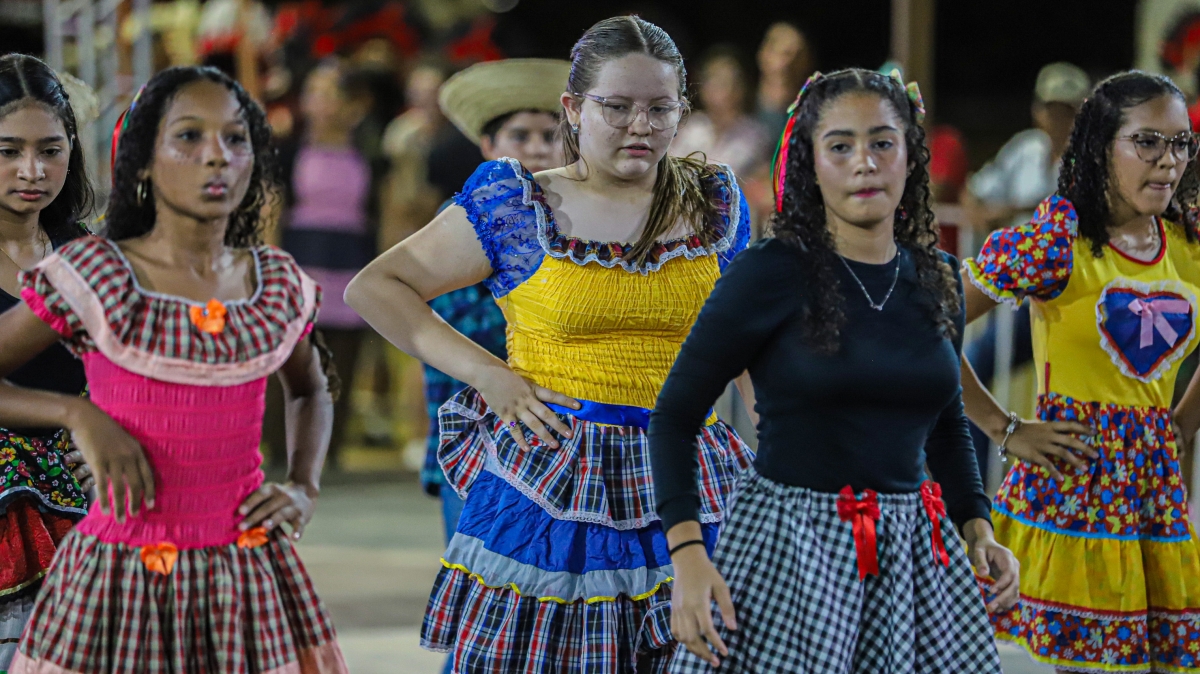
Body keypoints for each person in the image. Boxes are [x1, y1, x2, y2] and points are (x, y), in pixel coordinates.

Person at [345, 16, 754, 672]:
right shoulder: (518, 205)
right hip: (555, 481)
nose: (641, 126)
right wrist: (489, 375)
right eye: (617, 107)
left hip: (690, 478)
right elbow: (377, 287)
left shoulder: (715, 205)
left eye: (660, 109)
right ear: (573, 108)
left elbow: (752, 344)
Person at [649, 68, 1019, 673]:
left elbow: (945, 422)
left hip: (911, 558)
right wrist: (688, 553)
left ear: (910, 157)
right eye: (840, 146)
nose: (865, 163)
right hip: (790, 553)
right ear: (811, 164)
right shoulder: (770, 272)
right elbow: (674, 417)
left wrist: (977, 527)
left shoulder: (940, 280)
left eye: (882, 143)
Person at [0, 65, 346, 673]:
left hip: (239, 569)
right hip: (116, 556)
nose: (216, 157)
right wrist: (80, 415)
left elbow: (310, 388)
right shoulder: (96, 275)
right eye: (189, 137)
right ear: (142, 161)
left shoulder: (272, 284)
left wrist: (303, 485)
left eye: (235, 140)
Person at [963, 71, 1200, 673]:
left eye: (1180, 143)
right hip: (1072, 497)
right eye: (1147, 142)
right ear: (1099, 147)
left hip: (1153, 501)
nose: (1168, 160)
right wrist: (1004, 428)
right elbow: (926, 323)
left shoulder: (1190, 246)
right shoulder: (1056, 245)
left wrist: (1184, 421)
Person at [420, 58, 567, 545]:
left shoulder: (578, 224)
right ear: (488, 147)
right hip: (475, 432)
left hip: (558, 436)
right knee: (476, 576)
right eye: (519, 136)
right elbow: (460, 321)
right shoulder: (463, 219)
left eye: (550, 136)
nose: (538, 149)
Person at [0, 54, 96, 672]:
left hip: (83, 510)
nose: (32, 171)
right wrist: (77, 416)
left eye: (51, 150)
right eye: (8, 151)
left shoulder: (86, 251)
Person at [962, 61, 1091, 479]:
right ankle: (974, 480)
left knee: (1075, 397)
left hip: (1072, 298)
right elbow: (973, 194)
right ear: (1038, 111)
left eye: (1068, 110)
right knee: (970, 359)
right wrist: (990, 215)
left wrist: (1016, 213)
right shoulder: (1025, 150)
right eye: (1053, 109)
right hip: (1018, 293)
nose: (1059, 119)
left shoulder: (1094, 160)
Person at [275, 59, 377, 469]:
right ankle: (283, 450)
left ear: (353, 105)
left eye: (329, 93)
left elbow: (381, 217)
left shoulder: (370, 156)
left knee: (341, 361)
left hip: (350, 266)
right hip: (299, 266)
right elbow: (271, 215)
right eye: (313, 93)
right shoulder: (288, 152)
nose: (319, 102)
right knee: (290, 361)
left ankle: (329, 452)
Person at [671, 46, 771, 180]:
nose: (727, 90)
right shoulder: (690, 128)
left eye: (733, 82)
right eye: (717, 81)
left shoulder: (756, 136)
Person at [755, 22, 814, 140]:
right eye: (784, 53)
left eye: (798, 56)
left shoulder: (814, 116)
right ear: (763, 54)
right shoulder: (739, 110)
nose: (788, 63)